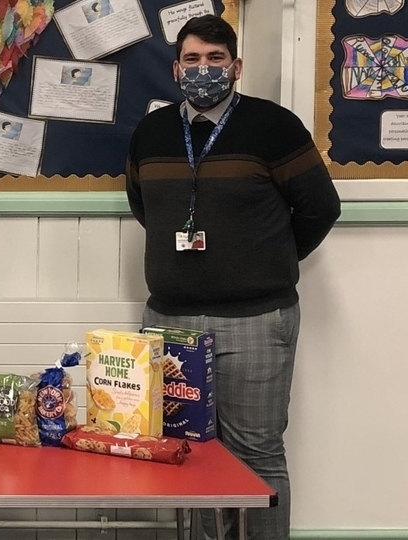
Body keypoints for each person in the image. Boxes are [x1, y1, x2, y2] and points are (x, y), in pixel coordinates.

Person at [125, 15, 340, 540]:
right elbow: (145, 207)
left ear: (236, 66)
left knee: (256, 455)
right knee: (186, 456)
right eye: (193, 60)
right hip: (170, 324)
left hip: (256, 320)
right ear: (176, 69)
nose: (204, 70)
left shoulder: (274, 126)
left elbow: (319, 208)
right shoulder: (151, 132)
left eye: (216, 59)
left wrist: (265, 262)